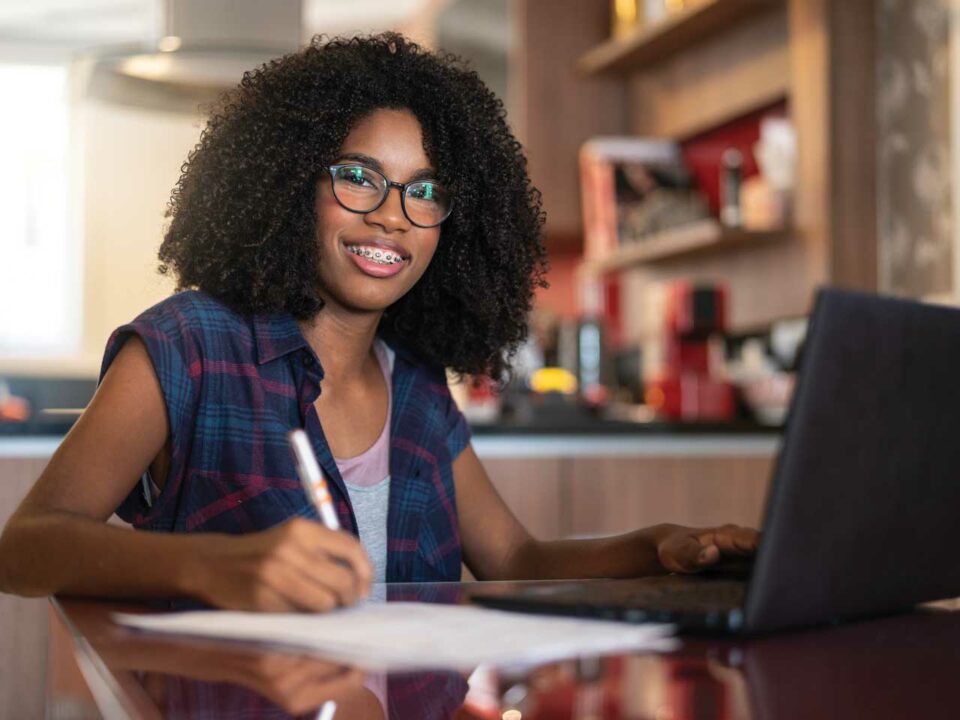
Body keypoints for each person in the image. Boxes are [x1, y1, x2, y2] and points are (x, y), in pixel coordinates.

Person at [0, 34, 758, 613]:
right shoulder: (186, 348)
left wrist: (656, 545)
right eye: (359, 177)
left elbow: (515, 554)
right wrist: (209, 565)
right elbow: (25, 546)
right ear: (292, 183)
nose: (394, 215)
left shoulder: (418, 387)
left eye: (424, 191)